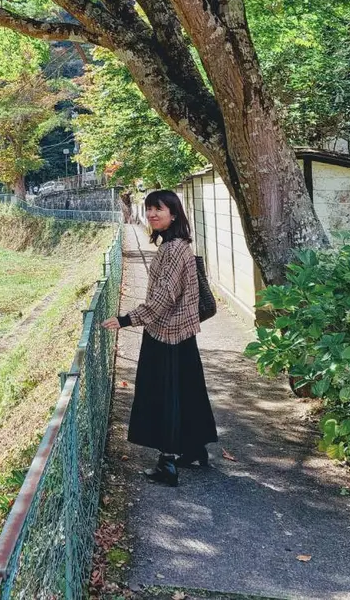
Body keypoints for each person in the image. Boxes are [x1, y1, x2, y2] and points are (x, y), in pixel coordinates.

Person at [102, 190, 217, 487]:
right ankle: (193, 448)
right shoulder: (178, 245)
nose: (153, 214)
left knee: (162, 396)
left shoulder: (173, 249)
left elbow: (164, 298)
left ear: (174, 214)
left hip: (166, 333)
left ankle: (167, 463)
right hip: (183, 334)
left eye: (159, 210)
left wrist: (126, 319)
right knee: (187, 391)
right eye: (150, 209)